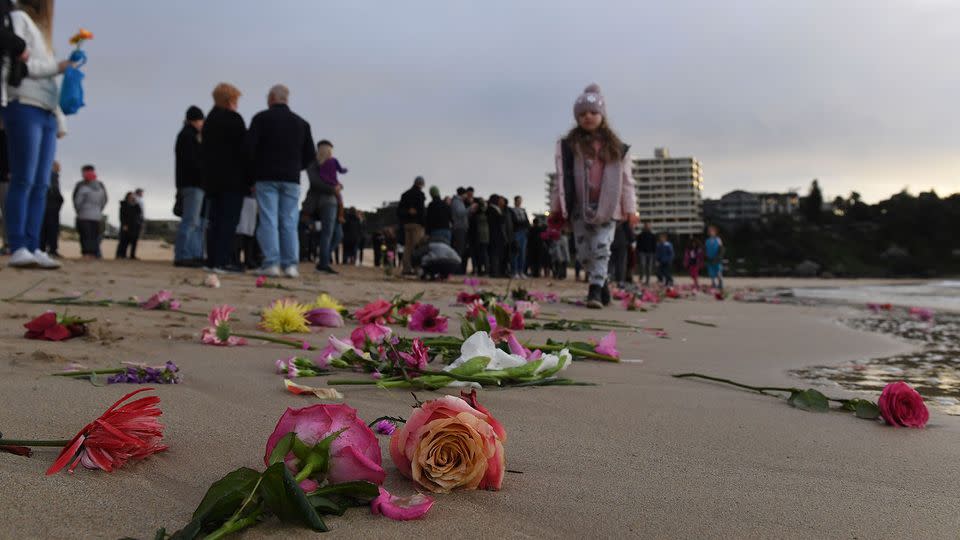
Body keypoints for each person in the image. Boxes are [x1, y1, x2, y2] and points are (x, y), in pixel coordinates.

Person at [549, 84, 636, 308]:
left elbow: (627, 181)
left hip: (609, 206)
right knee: (584, 253)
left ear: (602, 115)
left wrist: (631, 208)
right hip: (579, 206)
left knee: (601, 247)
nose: (588, 117)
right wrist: (557, 207)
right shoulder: (571, 147)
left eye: (593, 112)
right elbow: (561, 179)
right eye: (583, 114)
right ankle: (602, 282)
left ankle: (595, 290)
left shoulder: (617, 148)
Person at [2, 0, 73, 268]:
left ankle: (34, 245)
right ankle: (18, 244)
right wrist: (59, 66)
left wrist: (60, 119)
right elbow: (25, 66)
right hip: (23, 104)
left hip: (46, 110)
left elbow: (50, 85)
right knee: (23, 178)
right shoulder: (18, 18)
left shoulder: (44, 33)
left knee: (42, 183)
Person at [247, 84, 315, 278]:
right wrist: (296, 167)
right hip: (291, 178)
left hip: (266, 176)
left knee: (268, 219)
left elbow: (249, 149)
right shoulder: (301, 123)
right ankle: (290, 265)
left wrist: (255, 171)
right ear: (286, 98)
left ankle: (271, 263)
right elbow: (310, 155)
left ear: (271, 98)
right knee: (289, 221)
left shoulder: (261, 119)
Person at [202, 82, 248, 274]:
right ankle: (222, 261)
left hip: (212, 179)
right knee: (228, 221)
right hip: (232, 179)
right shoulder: (234, 120)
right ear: (230, 100)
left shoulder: (209, 120)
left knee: (214, 220)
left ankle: (212, 259)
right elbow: (244, 151)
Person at [305, 139, 346, 274]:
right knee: (327, 233)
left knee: (338, 234)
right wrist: (333, 188)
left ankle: (323, 258)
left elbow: (334, 180)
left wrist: (339, 186)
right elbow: (315, 182)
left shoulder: (330, 163)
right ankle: (323, 264)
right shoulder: (313, 164)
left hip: (334, 202)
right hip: (324, 202)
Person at [174, 105, 205, 267]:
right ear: (196, 120)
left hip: (192, 184)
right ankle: (183, 255)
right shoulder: (188, 136)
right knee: (191, 221)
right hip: (192, 183)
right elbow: (194, 162)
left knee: (196, 222)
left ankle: (193, 254)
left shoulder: (188, 135)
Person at [73, 164, 107, 259]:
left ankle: (87, 254)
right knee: (94, 236)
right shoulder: (101, 187)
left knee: (85, 236)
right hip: (97, 216)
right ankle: (94, 254)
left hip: (84, 214)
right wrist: (99, 210)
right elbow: (104, 201)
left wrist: (78, 211)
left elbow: (77, 201)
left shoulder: (82, 186)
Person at [397, 176, 426, 275]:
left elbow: (399, 211)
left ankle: (406, 268)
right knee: (416, 247)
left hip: (406, 224)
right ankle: (416, 268)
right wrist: (423, 224)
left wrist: (407, 213)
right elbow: (421, 211)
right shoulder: (420, 194)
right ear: (421, 184)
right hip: (416, 224)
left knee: (407, 247)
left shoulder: (405, 194)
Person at [38, 159, 61, 256]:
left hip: (45, 206)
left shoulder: (46, 176)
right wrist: (60, 200)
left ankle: (42, 248)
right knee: (51, 229)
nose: (60, 168)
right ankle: (51, 250)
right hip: (50, 207)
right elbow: (54, 192)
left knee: (43, 229)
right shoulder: (52, 176)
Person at [116, 192, 142, 259]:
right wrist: (124, 224)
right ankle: (120, 255)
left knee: (134, 241)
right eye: (130, 196)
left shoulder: (136, 206)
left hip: (134, 226)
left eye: (133, 196)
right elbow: (121, 216)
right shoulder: (124, 205)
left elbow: (139, 214)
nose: (132, 198)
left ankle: (132, 255)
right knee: (124, 241)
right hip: (126, 225)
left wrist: (139, 224)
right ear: (127, 197)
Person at [510, 196, 530, 279]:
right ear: (515, 201)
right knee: (516, 252)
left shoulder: (523, 210)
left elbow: (527, 222)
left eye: (520, 201)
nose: (519, 202)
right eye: (518, 201)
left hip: (523, 232)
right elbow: (513, 222)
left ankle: (521, 271)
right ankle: (514, 272)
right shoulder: (511, 210)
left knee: (522, 252)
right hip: (516, 232)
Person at [450, 187, 468, 273]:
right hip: (459, 228)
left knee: (459, 248)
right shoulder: (457, 202)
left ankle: (457, 269)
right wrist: (470, 209)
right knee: (459, 249)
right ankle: (456, 269)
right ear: (463, 194)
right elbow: (460, 213)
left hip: (459, 227)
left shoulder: (458, 201)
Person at [470, 197, 489, 275]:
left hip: (478, 236)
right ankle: (485, 269)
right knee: (483, 253)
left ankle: (480, 269)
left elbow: (473, 224)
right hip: (485, 236)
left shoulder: (476, 214)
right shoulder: (486, 212)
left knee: (478, 254)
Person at [705, 225, 725, 290]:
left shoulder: (718, 239)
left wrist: (719, 257)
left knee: (718, 271)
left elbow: (721, 249)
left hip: (717, 258)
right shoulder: (707, 241)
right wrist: (706, 257)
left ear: (715, 232)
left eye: (712, 231)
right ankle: (713, 283)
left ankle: (720, 283)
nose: (711, 233)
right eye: (710, 231)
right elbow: (705, 249)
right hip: (710, 258)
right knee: (711, 272)